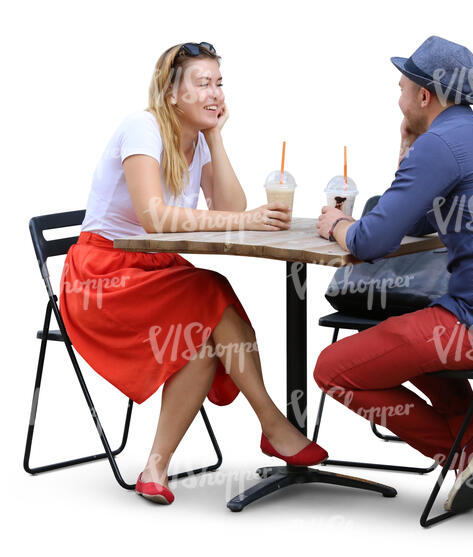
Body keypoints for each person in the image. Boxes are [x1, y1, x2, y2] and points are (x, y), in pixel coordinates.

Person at [59, 42, 327, 505]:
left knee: (200, 337)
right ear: (170, 93)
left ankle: (155, 468)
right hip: (101, 278)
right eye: (203, 84)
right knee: (210, 288)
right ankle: (272, 423)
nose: (216, 93)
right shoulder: (142, 128)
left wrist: (216, 137)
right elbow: (154, 218)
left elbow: (229, 208)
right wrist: (244, 221)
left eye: (219, 83)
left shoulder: (200, 139)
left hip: (154, 271)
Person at [314, 36, 473, 512]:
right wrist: (409, 156)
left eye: (402, 88)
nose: (399, 99)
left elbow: (372, 242)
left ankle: (464, 451)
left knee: (332, 369)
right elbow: (417, 222)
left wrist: (337, 225)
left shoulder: (442, 145)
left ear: (424, 96)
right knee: (412, 331)